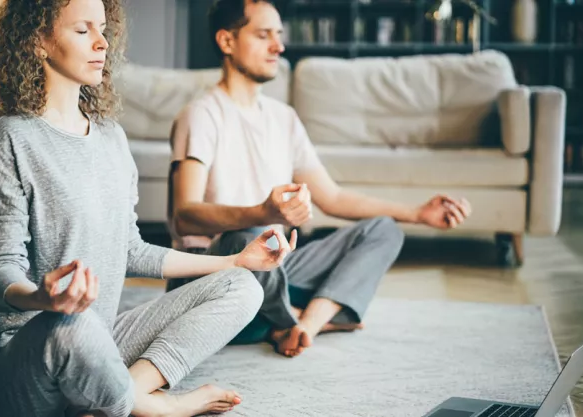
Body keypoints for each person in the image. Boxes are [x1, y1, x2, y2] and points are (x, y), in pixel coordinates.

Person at [0, 1, 299, 416]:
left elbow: (132, 250)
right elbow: (0, 268)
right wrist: (43, 298)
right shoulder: (10, 138)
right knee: (75, 327)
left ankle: (118, 395)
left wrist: (237, 259)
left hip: (99, 340)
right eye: (82, 30)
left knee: (242, 284)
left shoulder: (111, 138)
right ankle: (158, 407)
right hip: (24, 357)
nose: (102, 43)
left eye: (103, 29)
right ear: (37, 41)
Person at [168, 0, 472, 358]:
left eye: (279, 36)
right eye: (263, 35)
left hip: (272, 268)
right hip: (212, 272)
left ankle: (304, 325)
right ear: (226, 41)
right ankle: (289, 318)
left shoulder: (284, 119)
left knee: (383, 230)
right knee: (253, 236)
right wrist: (261, 213)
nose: (278, 47)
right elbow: (184, 214)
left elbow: (333, 198)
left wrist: (417, 213)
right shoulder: (201, 115)